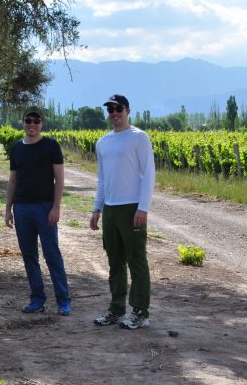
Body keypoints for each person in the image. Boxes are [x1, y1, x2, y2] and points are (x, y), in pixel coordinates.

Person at [90, 94, 155, 330]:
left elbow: (149, 174)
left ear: (128, 110)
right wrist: (97, 208)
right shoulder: (103, 142)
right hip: (111, 208)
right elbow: (102, 179)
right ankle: (117, 309)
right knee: (115, 261)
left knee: (137, 260)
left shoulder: (139, 138)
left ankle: (140, 312)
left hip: (132, 207)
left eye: (118, 109)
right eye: (110, 110)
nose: (114, 113)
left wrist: (143, 207)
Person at [4, 109, 72, 315]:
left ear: (42, 123)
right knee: (29, 255)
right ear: (23, 123)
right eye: (28, 121)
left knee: (52, 254)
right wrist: (8, 209)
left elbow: (59, 179)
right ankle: (37, 298)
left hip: (45, 207)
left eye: (36, 121)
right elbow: (13, 180)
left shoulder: (51, 146)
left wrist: (56, 207)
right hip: (22, 208)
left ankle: (63, 300)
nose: (32, 124)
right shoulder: (16, 149)